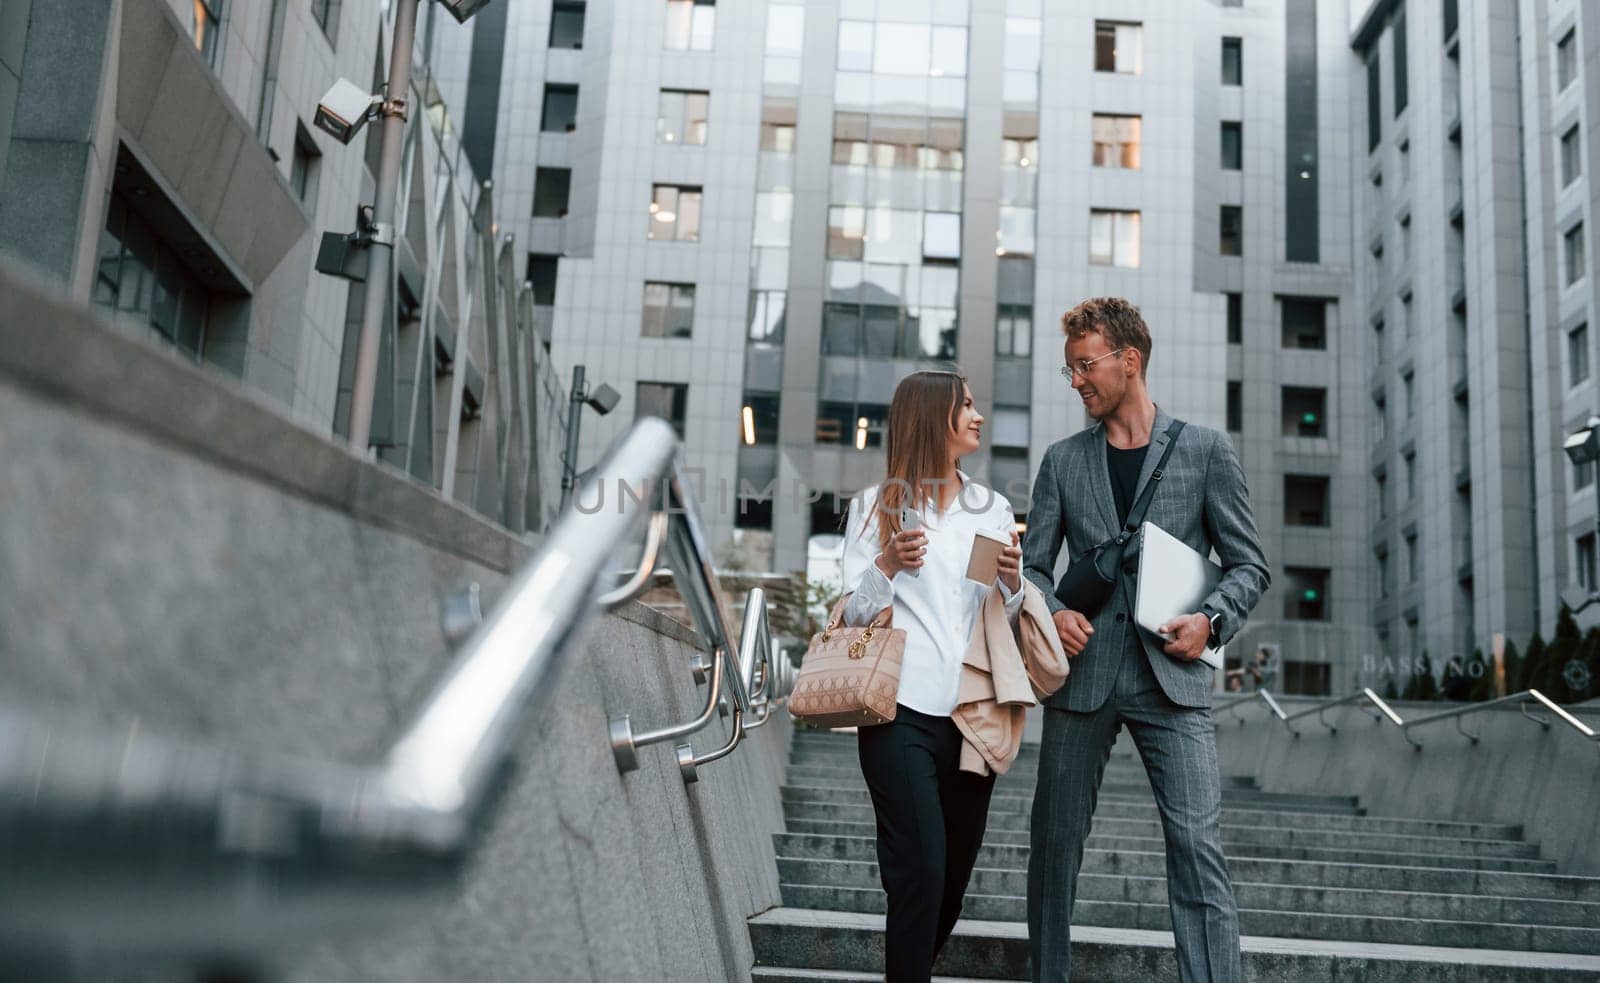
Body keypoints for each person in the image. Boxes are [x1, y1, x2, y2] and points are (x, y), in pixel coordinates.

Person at [1020, 298, 1270, 983]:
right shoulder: (1062, 461)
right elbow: (1032, 567)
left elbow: (1251, 563)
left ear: (1129, 361)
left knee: (1196, 846)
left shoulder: (1206, 450)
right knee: (1053, 847)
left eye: (1085, 365)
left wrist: (1211, 620)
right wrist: (1050, 611)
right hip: (1082, 679)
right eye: (1069, 368)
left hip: (1174, 679)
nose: (1076, 381)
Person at [838, 369, 1026, 983]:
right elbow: (851, 614)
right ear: (931, 418)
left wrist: (1013, 583)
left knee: (948, 888)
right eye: (965, 406)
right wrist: (886, 565)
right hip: (897, 714)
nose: (977, 415)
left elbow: (993, 611)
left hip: (970, 718)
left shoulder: (990, 507)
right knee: (916, 872)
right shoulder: (875, 507)